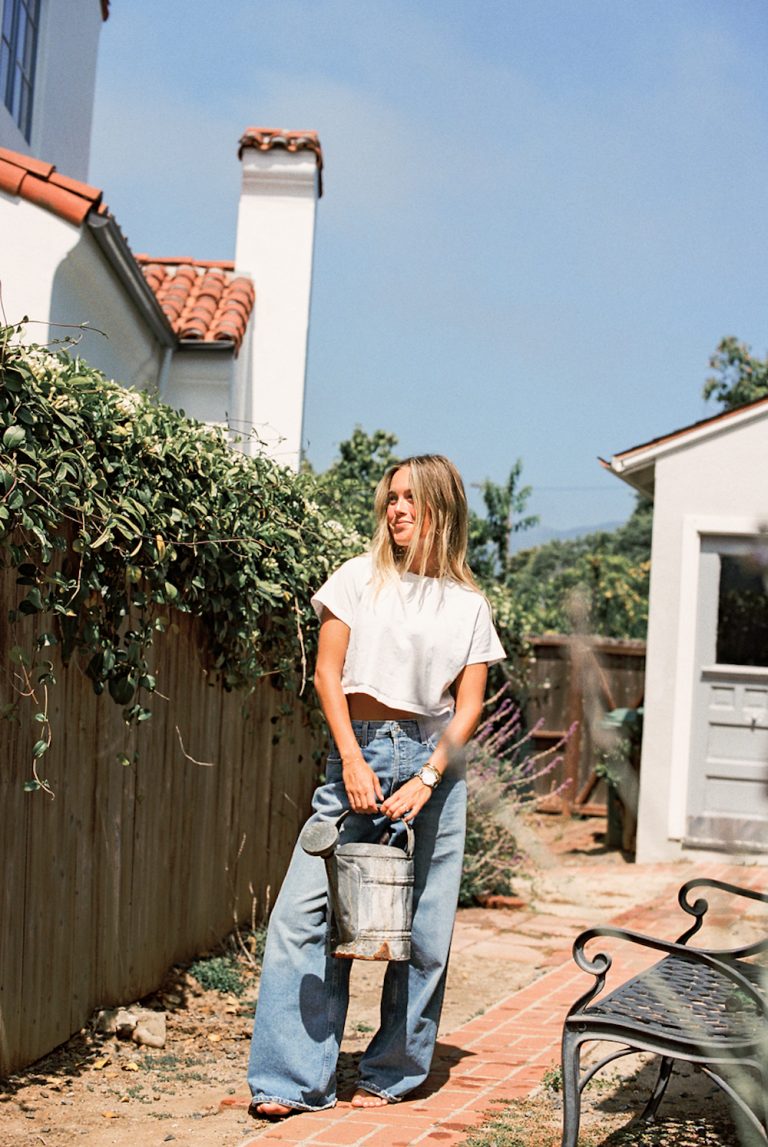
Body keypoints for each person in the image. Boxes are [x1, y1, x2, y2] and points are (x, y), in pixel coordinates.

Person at [247, 454, 505, 1119]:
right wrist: (352, 759)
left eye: (412, 499)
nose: (397, 509)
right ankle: (291, 1079)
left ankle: (393, 1070)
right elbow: (329, 676)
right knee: (304, 916)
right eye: (391, 498)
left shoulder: (468, 605)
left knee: (424, 927)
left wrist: (427, 776)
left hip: (432, 769)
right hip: (356, 758)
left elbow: (469, 704)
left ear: (442, 509)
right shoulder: (357, 579)